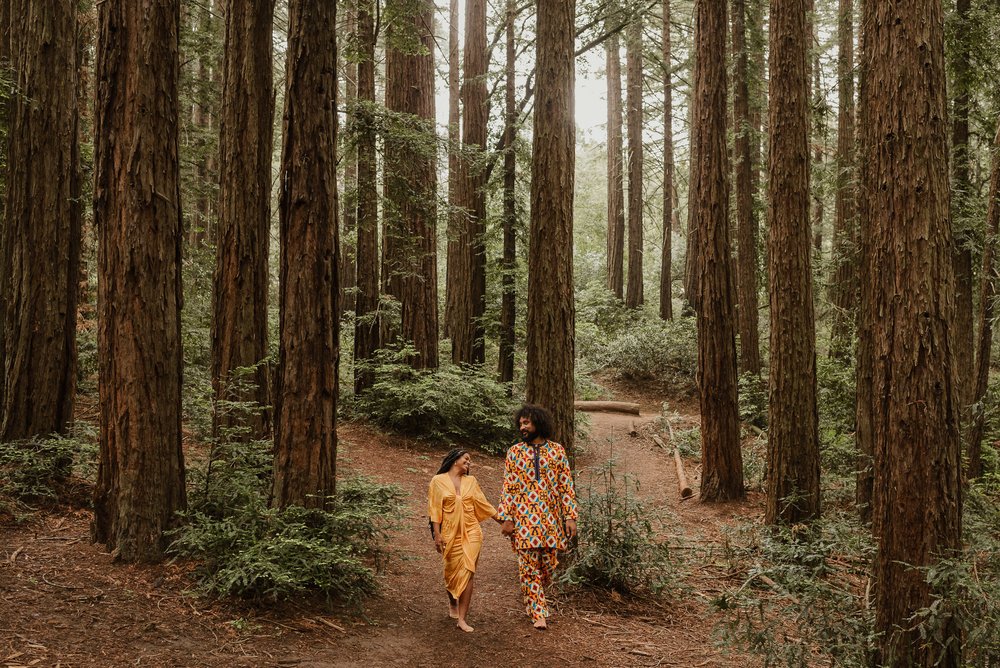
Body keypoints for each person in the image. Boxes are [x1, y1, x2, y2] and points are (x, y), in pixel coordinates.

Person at [497, 404, 577, 630]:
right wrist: (507, 517)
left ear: (538, 423)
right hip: (523, 520)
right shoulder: (514, 453)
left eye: (527, 423)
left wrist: (570, 517)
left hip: (550, 522)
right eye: (520, 423)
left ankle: (536, 598)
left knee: (548, 568)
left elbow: (566, 486)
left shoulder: (557, 451)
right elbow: (508, 487)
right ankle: (537, 612)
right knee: (528, 568)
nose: (522, 427)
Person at [427, 448, 499, 632]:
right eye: (466, 459)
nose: (469, 462)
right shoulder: (438, 481)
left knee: (468, 570)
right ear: (454, 460)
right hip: (450, 533)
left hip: (472, 531)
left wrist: (504, 521)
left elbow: (483, 504)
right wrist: (437, 534)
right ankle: (453, 602)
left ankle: (462, 619)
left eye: (470, 460)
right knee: (451, 573)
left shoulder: (471, 481)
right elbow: (435, 509)